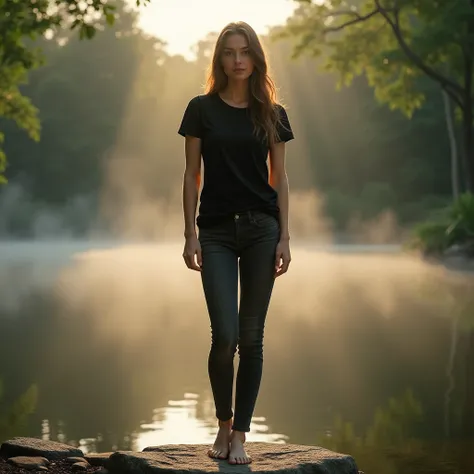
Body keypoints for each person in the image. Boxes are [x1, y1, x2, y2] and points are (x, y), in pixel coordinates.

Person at [178, 21, 294, 465]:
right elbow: (192, 175)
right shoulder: (200, 109)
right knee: (225, 335)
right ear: (220, 59)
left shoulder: (273, 113)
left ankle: (242, 435)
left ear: (256, 57)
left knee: (252, 337)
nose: (238, 59)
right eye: (229, 52)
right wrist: (190, 232)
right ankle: (223, 425)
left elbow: (280, 178)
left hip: (264, 229)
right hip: (217, 231)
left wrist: (285, 234)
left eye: (245, 51)